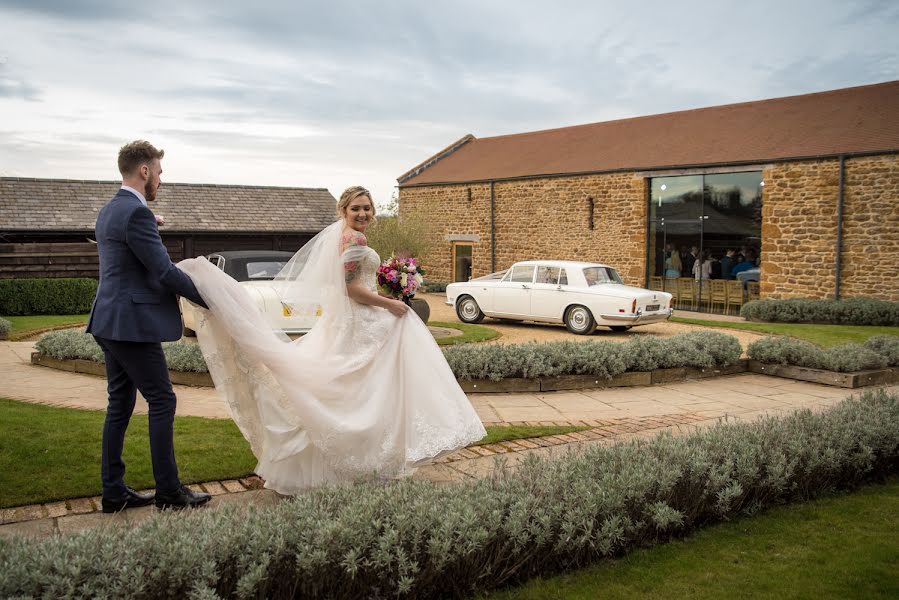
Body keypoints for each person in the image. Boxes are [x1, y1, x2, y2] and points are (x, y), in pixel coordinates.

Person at [179, 186, 486, 494]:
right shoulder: (354, 238)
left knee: (355, 390)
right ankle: (371, 458)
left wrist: (384, 295)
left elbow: (353, 284)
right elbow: (349, 289)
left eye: (367, 207)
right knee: (368, 389)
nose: (363, 213)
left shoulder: (343, 236)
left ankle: (351, 464)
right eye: (356, 208)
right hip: (357, 320)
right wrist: (390, 303)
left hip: (349, 319)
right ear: (344, 211)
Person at [87, 140, 212, 512]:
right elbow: (163, 271)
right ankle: (169, 492)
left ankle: (113, 491)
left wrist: (149, 223)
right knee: (162, 399)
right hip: (131, 324)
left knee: (120, 404)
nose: (160, 178)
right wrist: (211, 298)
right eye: (158, 171)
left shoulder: (112, 210)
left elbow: (128, 251)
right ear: (144, 171)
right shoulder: (136, 214)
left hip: (107, 321)